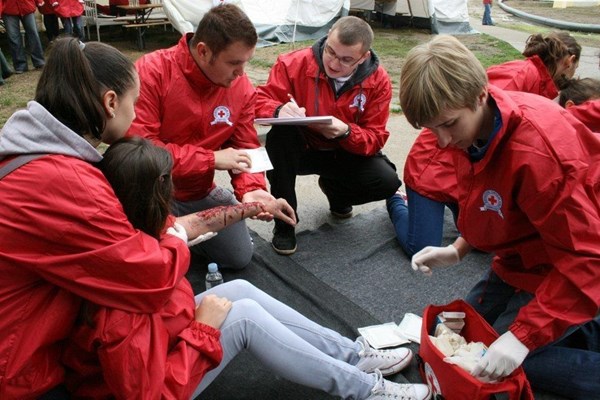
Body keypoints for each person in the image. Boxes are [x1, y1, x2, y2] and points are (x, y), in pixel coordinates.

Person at [63, 136, 431, 400]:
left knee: (238, 293)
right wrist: (203, 331)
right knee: (243, 318)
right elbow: (149, 393)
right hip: (144, 382)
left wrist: (253, 208)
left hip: (159, 334)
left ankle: (352, 356)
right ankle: (363, 391)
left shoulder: (126, 228)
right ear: (157, 197)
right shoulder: (119, 310)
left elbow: (187, 227)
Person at [0, 37, 240, 399]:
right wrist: (174, 240)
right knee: (242, 314)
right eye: (135, 102)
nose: (136, 113)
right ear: (111, 103)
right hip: (21, 369)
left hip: (40, 339)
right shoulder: (65, 181)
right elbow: (150, 275)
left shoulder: (32, 150)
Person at [401, 35, 600, 399]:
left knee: (504, 363)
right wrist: (460, 248)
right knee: (466, 336)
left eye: (448, 124)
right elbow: (490, 199)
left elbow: (586, 259)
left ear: (480, 95)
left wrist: (522, 338)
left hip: (569, 264)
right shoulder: (477, 125)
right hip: (521, 256)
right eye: (431, 129)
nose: (442, 142)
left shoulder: (541, 155)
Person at [128, 3, 296, 270]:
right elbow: (139, 150)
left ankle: (183, 234)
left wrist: (252, 189)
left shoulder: (240, 87)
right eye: (234, 63)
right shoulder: (152, 72)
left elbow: (246, 145)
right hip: (151, 193)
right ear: (204, 51)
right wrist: (210, 159)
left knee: (237, 257)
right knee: (149, 266)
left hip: (197, 191)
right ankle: (175, 237)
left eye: (246, 62)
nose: (241, 73)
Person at [387, 31, 582, 258]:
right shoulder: (518, 75)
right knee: (420, 247)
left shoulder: (536, 94)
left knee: (485, 241)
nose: (442, 138)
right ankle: (397, 198)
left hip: (466, 167)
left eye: (449, 124)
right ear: (569, 61)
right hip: (434, 167)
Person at [256, 16, 400, 255]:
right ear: (329, 34)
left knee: (387, 181)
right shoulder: (292, 63)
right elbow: (258, 100)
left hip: (345, 151)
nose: (333, 63)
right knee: (281, 136)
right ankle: (285, 223)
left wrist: (345, 132)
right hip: (301, 149)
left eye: (346, 59)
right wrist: (278, 109)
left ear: (363, 57)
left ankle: (336, 191)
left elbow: (375, 137)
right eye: (330, 51)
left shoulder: (379, 80)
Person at [1, 0, 45, 73]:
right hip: (8, 8)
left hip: (27, 5)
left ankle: (39, 61)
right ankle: (20, 65)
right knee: (13, 37)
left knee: (33, 34)